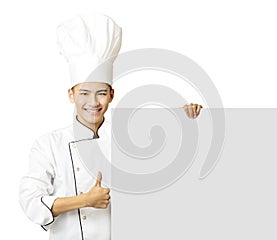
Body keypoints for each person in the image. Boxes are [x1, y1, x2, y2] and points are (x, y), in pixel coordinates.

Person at [19, 13, 202, 240]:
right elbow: (30, 202)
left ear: (112, 95)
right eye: (84, 93)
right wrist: (86, 200)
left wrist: (188, 114)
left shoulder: (126, 138)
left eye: (101, 93)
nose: (93, 102)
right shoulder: (49, 144)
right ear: (71, 95)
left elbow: (166, 133)